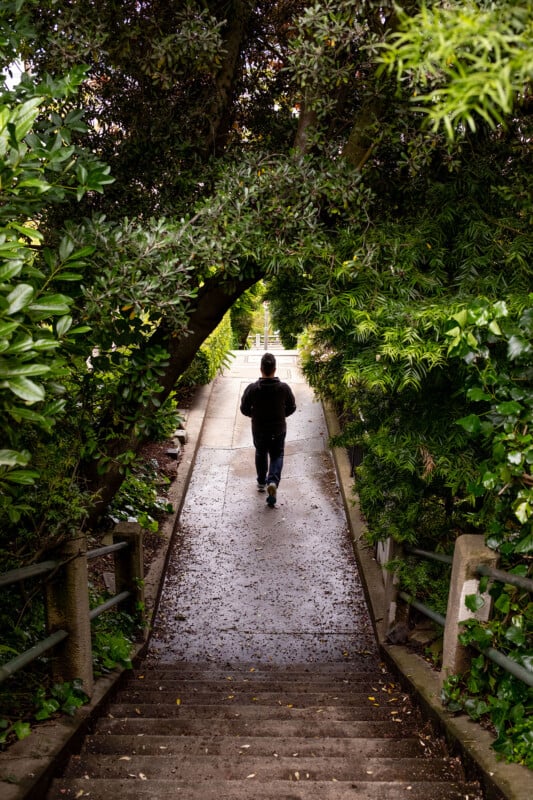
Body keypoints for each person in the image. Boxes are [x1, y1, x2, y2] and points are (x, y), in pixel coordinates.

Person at [240, 352, 296, 507]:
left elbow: (244, 408)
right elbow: (292, 407)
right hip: (278, 428)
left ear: (261, 369)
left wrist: (254, 415)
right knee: (277, 455)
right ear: (275, 369)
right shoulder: (283, 388)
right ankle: (273, 481)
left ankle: (261, 482)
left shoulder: (252, 389)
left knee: (261, 452)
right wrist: (281, 415)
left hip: (259, 428)